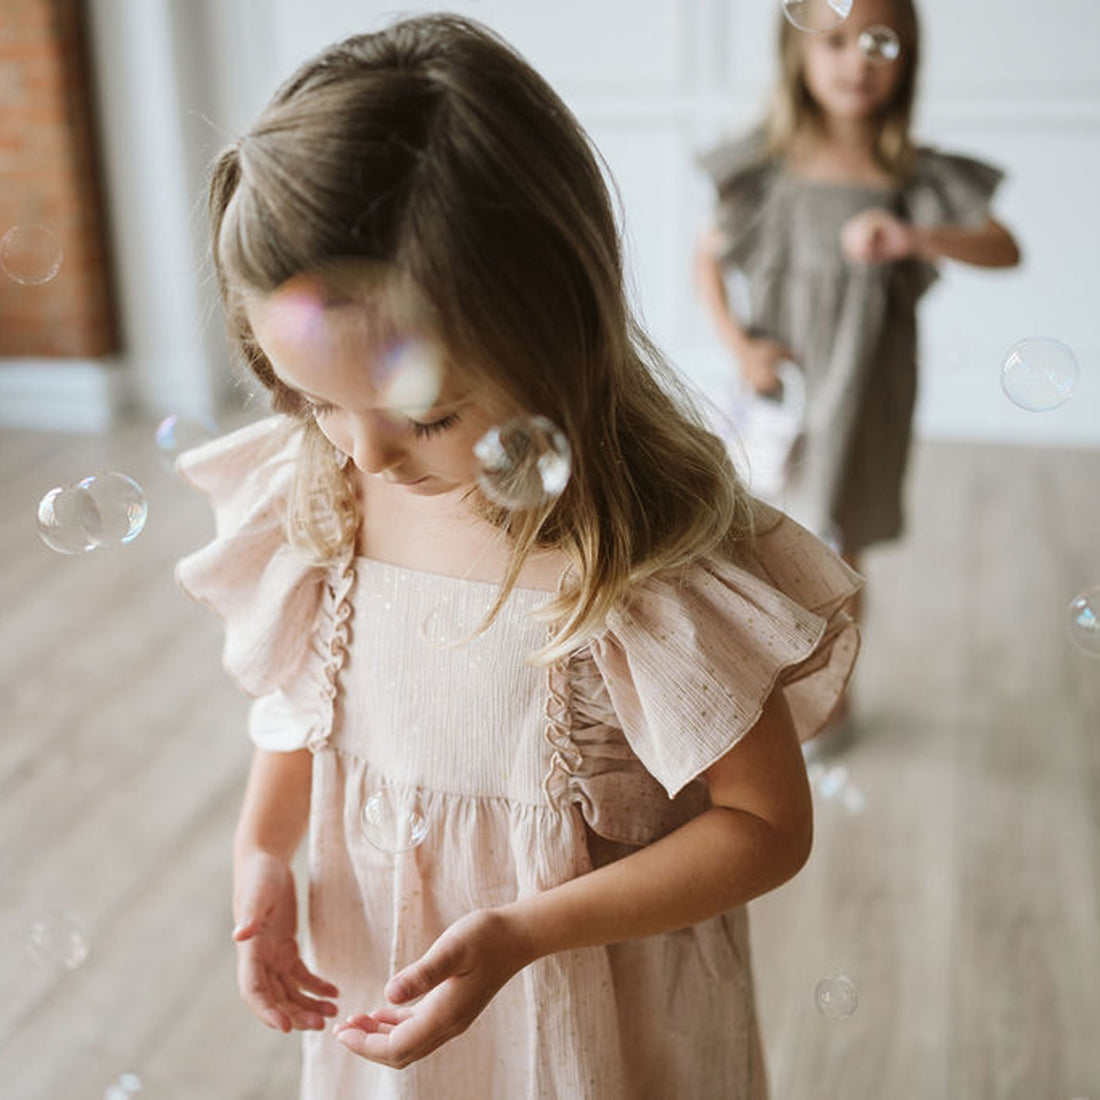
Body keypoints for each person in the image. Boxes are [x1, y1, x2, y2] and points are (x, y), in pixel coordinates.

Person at [177, 14, 862, 1098]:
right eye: (315, 398)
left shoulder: (640, 550)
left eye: (427, 411)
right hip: (389, 968)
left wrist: (522, 932)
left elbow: (766, 826)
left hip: (594, 999)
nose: (364, 451)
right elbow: (305, 703)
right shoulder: (317, 485)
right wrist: (263, 851)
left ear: (555, 330)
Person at [695, 0, 1020, 636]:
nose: (858, 63)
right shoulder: (770, 169)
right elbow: (704, 259)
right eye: (835, 42)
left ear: (908, 58)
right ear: (798, 55)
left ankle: (834, 693)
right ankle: (777, 685)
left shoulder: (911, 175)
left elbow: (1005, 248)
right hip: (782, 387)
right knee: (761, 534)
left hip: (867, 386)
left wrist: (913, 237)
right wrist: (738, 345)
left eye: (880, 44)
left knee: (839, 548)